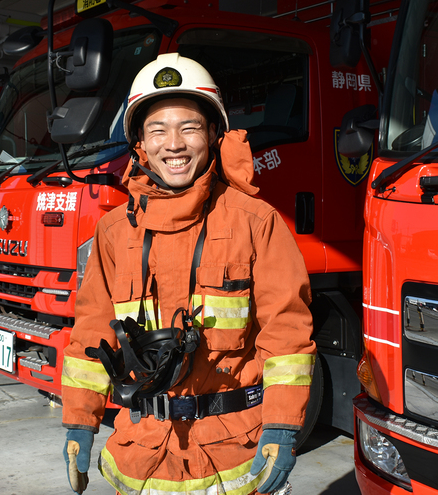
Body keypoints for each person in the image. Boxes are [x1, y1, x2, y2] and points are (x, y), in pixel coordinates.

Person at [59, 53, 316, 495]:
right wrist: (80, 421)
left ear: (214, 134)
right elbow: (92, 328)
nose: (173, 144)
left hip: (234, 453)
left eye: (189, 127)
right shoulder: (114, 231)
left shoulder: (256, 221)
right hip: (140, 452)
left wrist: (282, 425)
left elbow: (288, 332)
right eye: (157, 129)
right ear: (139, 142)